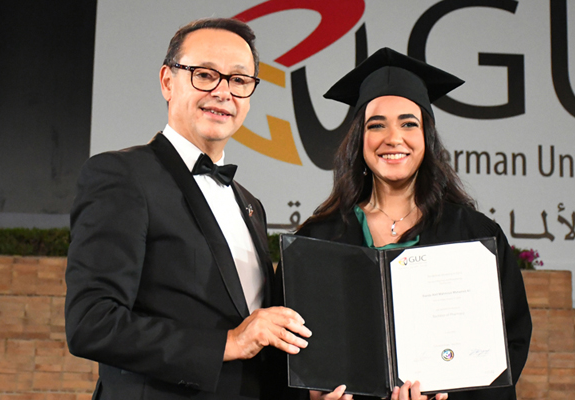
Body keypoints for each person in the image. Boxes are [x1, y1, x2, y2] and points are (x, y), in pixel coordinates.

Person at [65, 18, 311, 400]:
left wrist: (308, 392)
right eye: (205, 75)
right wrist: (228, 343)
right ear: (167, 81)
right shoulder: (121, 175)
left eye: (239, 80)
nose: (223, 92)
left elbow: (258, 347)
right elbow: (92, 323)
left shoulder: (251, 205)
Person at [281, 48, 532, 400]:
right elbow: (285, 353)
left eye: (408, 123)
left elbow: (508, 343)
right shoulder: (317, 240)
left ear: (427, 136)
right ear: (360, 139)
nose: (393, 138)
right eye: (376, 125)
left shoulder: (474, 235)